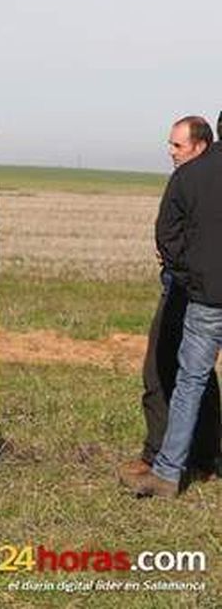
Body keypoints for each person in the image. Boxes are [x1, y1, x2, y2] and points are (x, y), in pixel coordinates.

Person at [123, 117, 222, 498]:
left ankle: (167, 474)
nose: (171, 152)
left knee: (189, 382)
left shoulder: (190, 176)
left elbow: (166, 235)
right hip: (202, 293)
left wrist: (191, 273)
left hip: (204, 298)